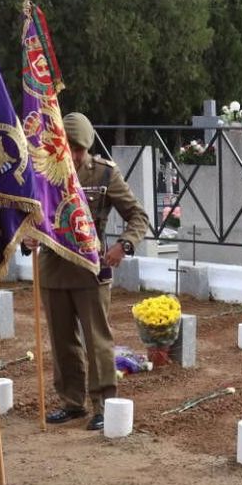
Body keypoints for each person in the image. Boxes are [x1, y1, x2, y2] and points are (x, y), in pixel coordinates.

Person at [37, 112, 149, 431]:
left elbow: (138, 215)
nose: (72, 155)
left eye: (79, 149)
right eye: (67, 147)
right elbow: (30, 215)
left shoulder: (103, 173)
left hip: (91, 269)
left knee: (97, 339)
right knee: (62, 342)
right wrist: (28, 238)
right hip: (53, 268)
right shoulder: (44, 172)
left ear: (87, 148)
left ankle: (104, 404)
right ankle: (72, 402)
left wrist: (123, 245)